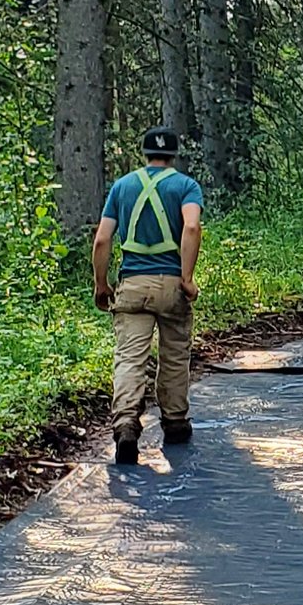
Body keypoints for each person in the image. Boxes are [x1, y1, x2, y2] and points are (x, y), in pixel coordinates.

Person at [91, 127, 205, 466]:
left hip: (132, 286)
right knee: (173, 356)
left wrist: (101, 284)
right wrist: (186, 278)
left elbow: (101, 240)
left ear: (143, 153)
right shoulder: (186, 186)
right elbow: (191, 227)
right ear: (174, 155)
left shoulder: (122, 186)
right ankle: (174, 423)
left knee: (129, 358)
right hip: (170, 285)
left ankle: (126, 424)